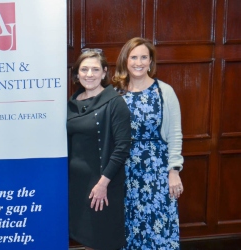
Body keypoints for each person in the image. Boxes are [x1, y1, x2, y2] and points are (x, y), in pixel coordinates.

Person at [113, 37, 184, 249]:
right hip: (124, 170)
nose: (139, 62)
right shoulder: (116, 93)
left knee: (159, 226)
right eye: (134, 57)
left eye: (144, 57)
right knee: (129, 225)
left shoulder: (164, 91)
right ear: (126, 61)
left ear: (151, 62)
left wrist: (174, 170)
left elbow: (175, 134)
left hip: (157, 170)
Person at [67, 48, 131, 250]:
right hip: (77, 184)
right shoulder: (71, 103)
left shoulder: (115, 102)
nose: (89, 74)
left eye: (95, 69)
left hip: (102, 184)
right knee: (87, 241)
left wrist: (103, 183)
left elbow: (122, 147)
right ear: (77, 74)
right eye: (84, 69)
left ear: (104, 73)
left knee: (101, 241)